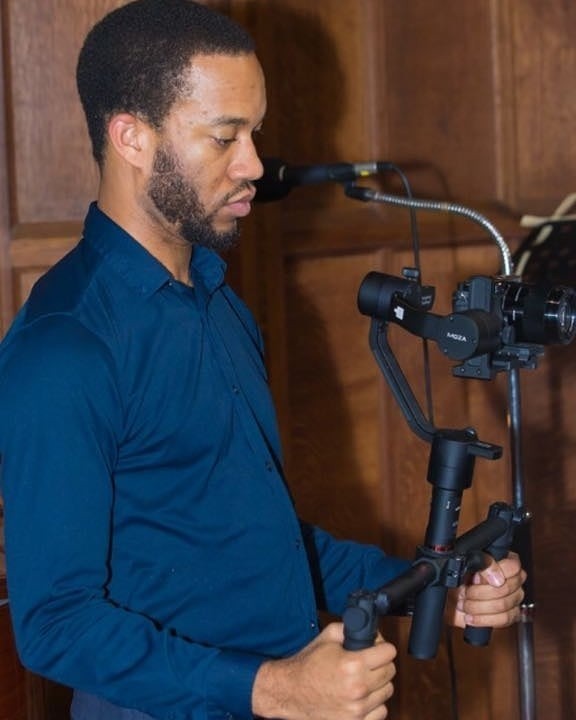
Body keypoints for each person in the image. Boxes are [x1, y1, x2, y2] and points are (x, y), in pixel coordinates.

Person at [0, 2, 526, 719]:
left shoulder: (217, 301)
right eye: (225, 137)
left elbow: (257, 543)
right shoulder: (64, 346)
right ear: (131, 138)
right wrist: (274, 688)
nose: (253, 165)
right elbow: (56, 625)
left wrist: (435, 585)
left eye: (255, 134)